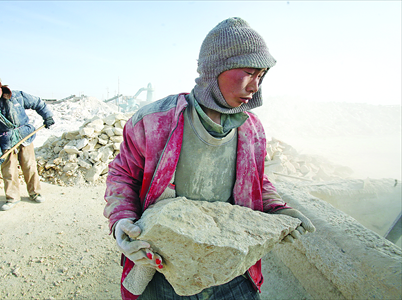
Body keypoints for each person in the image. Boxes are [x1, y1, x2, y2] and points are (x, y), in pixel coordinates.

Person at [103, 17, 316, 300]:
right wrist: (121, 222)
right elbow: (123, 176)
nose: (256, 86)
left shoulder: (251, 129)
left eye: (262, 76)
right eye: (250, 73)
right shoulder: (155, 122)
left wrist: (277, 209)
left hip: (233, 273)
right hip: (165, 271)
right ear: (216, 69)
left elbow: (256, 182)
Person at [0, 74, 55, 211]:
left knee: (30, 166)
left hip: (25, 137)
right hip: (5, 143)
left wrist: (47, 116)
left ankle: (35, 193)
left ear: (1, 87)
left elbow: (38, 103)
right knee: (9, 171)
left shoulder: (17, 96)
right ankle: (12, 198)